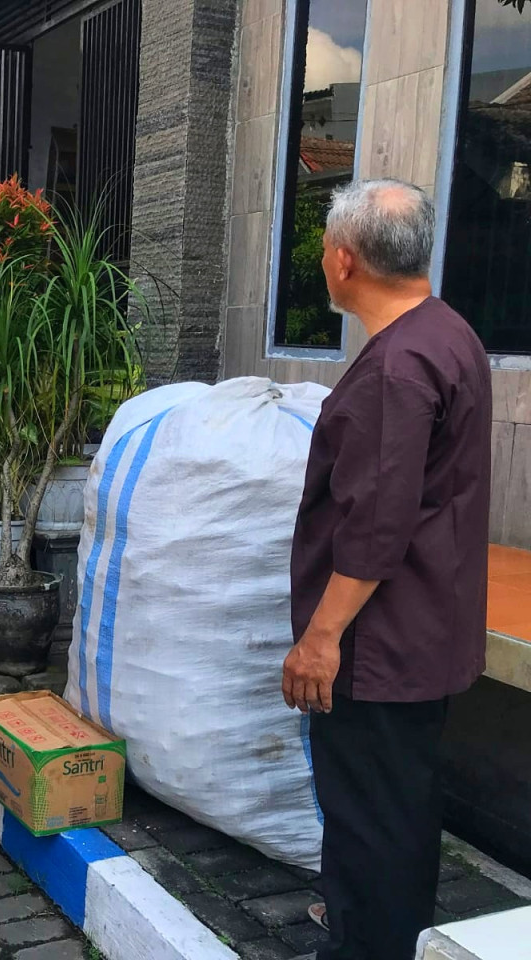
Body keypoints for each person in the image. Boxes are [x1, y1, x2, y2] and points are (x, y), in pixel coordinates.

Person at [283, 179, 492, 960]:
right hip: (423, 634)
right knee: (399, 813)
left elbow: (376, 524)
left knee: (370, 821)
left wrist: (322, 637)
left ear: (344, 262)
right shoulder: (449, 334)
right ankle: (391, 937)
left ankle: (368, 945)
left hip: (378, 644)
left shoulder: (397, 369)